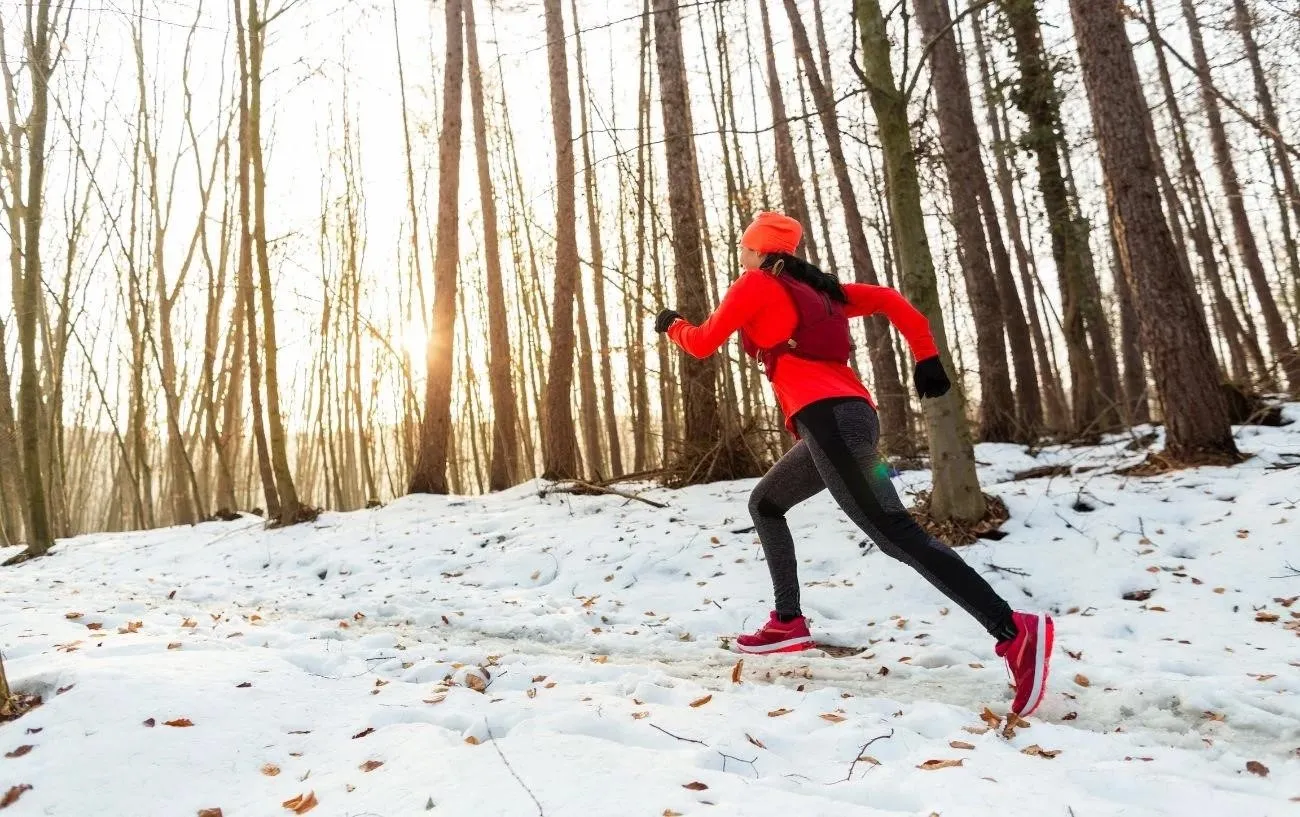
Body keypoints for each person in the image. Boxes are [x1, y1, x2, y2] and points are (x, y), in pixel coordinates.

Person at [654, 211, 1054, 717]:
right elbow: (889, 299)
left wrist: (672, 324)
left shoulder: (755, 283)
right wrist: (925, 356)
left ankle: (1013, 631)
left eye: (744, 247)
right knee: (767, 503)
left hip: (831, 425)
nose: (741, 254)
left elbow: (702, 342)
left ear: (759, 250)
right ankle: (788, 622)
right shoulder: (823, 291)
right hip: (852, 420)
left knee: (895, 532)